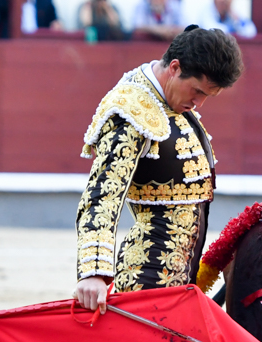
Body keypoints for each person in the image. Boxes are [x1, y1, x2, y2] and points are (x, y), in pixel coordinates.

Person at [75, 25, 243, 314]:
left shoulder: (169, 102)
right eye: (197, 91)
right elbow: (102, 195)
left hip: (180, 277)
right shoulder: (131, 111)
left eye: (207, 97)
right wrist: (93, 272)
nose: (198, 103)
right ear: (175, 68)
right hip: (147, 279)